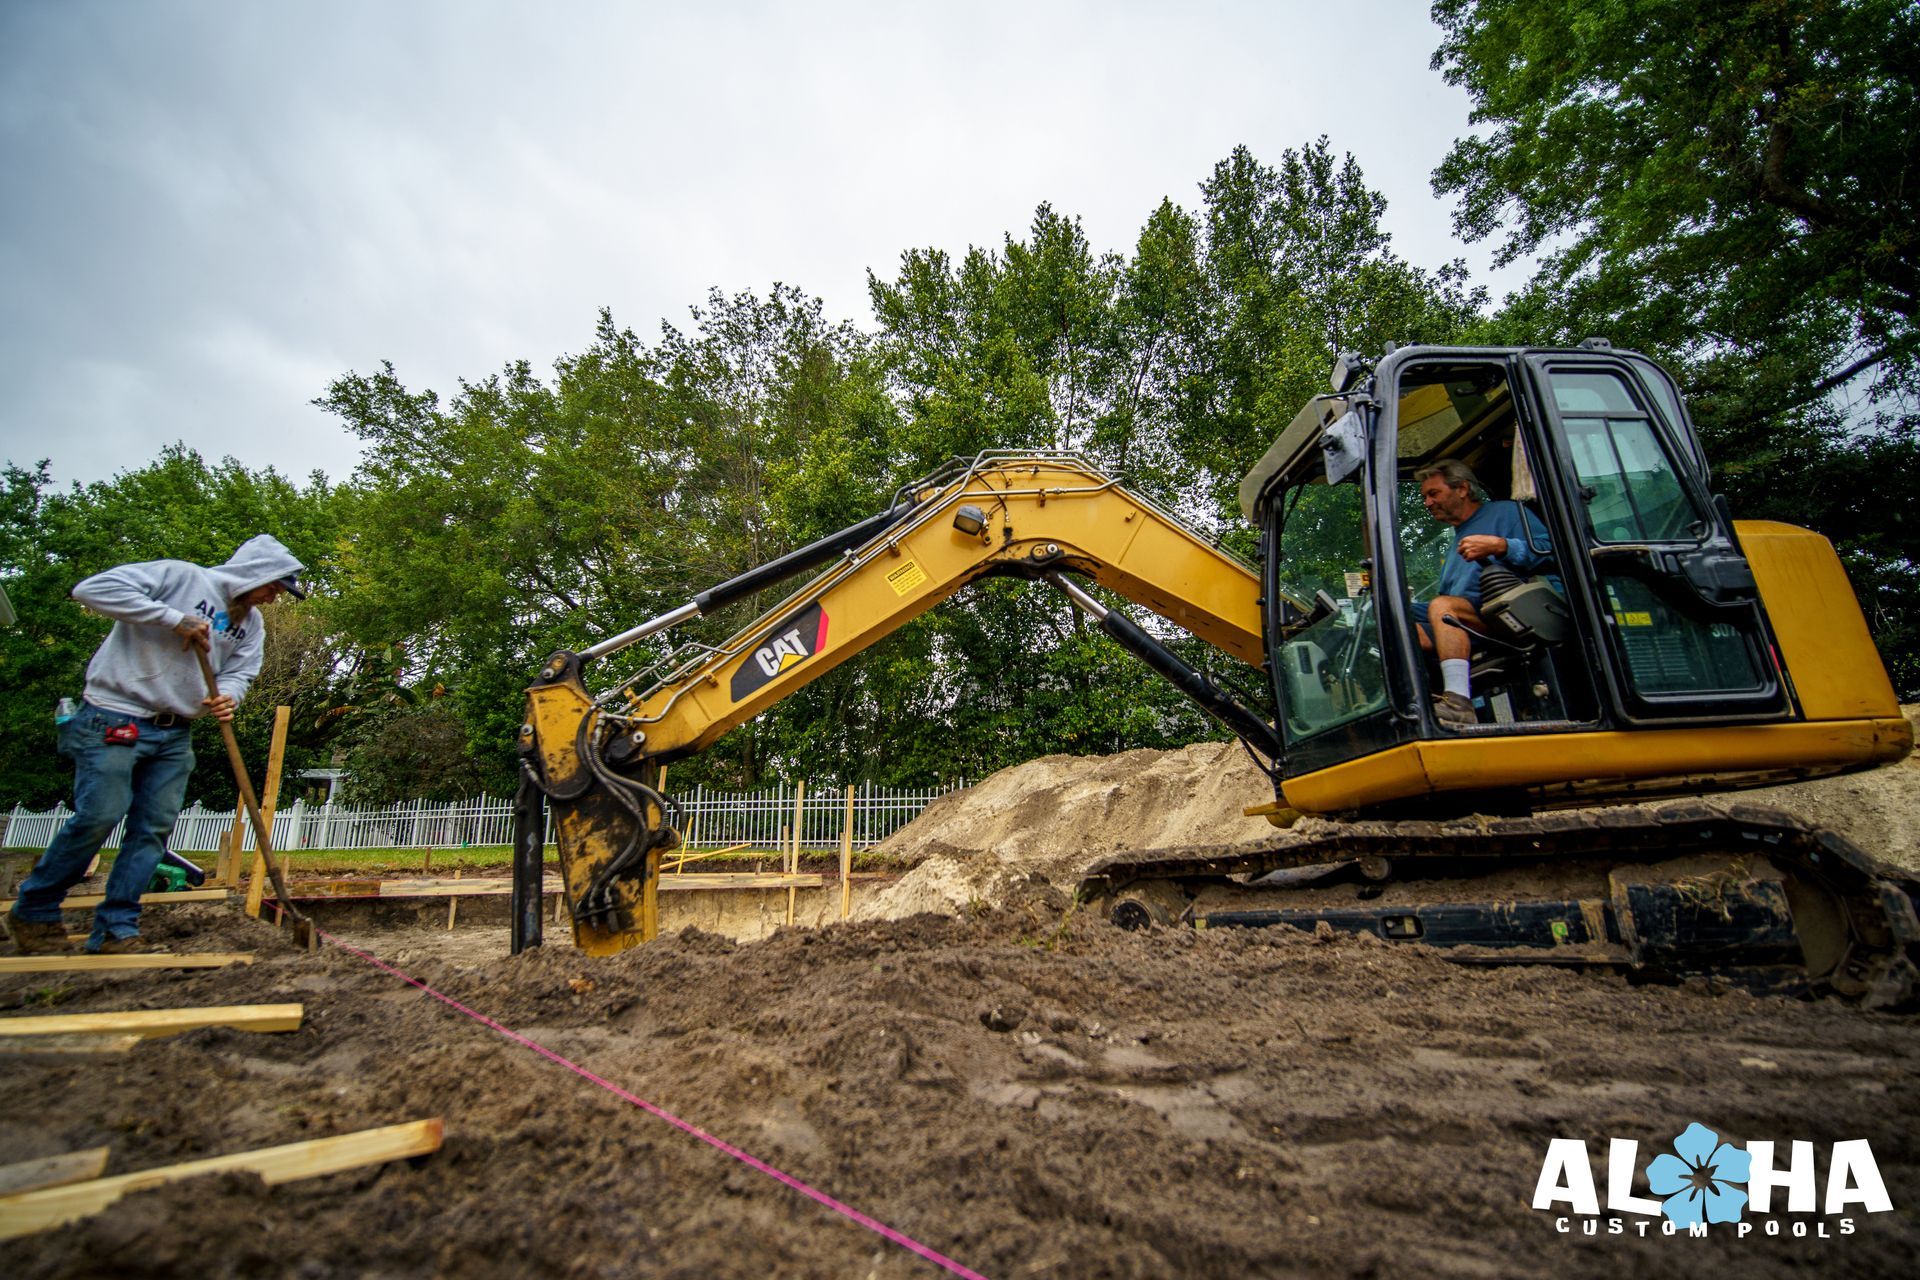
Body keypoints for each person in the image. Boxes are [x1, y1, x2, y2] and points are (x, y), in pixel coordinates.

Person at [3, 535, 306, 955]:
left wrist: (229, 696)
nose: (274, 597)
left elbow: (242, 670)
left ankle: (117, 929)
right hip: (113, 716)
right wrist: (171, 618)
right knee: (99, 815)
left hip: (174, 730)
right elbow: (91, 590)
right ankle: (34, 910)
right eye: (274, 586)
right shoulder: (181, 578)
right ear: (256, 573)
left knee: (152, 830)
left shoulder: (250, 624)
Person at [1410, 459, 1554, 726]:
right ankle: (1417, 700)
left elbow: (1552, 553)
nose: (1427, 503)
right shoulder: (1454, 545)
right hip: (1473, 622)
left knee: (1444, 607)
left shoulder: (1507, 513)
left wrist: (1502, 546)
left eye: (1434, 493)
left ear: (1462, 489)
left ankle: (1458, 702)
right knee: (1393, 619)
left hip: (1515, 617)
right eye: (1425, 497)